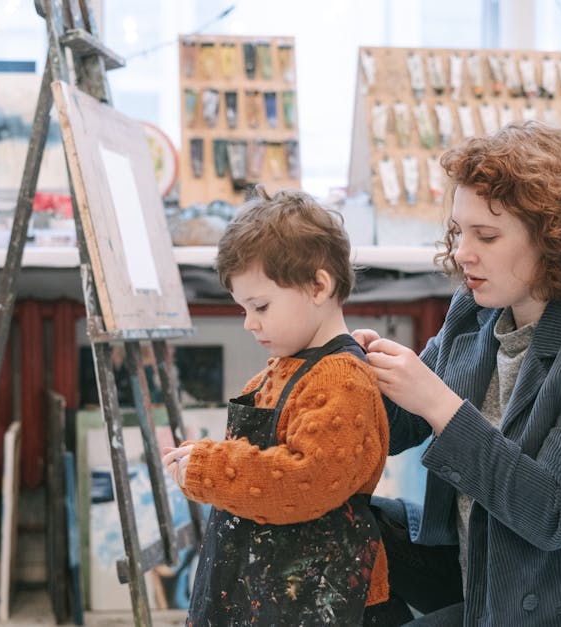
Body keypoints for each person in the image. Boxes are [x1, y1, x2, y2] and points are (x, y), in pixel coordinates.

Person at [356, 120, 561, 626]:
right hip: (488, 576)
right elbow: (399, 424)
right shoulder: (477, 310)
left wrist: (439, 403)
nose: (463, 253)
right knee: (337, 523)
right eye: (459, 231)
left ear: (553, 238)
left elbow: (553, 513)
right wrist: (347, 371)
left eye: (486, 236)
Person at [162, 185, 390, 625]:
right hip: (269, 589)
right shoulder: (283, 370)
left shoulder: (341, 379)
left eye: (261, 306)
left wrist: (212, 470)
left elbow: (308, 480)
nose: (250, 323)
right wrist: (202, 461)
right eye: (243, 309)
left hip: (315, 596)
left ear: (318, 285)